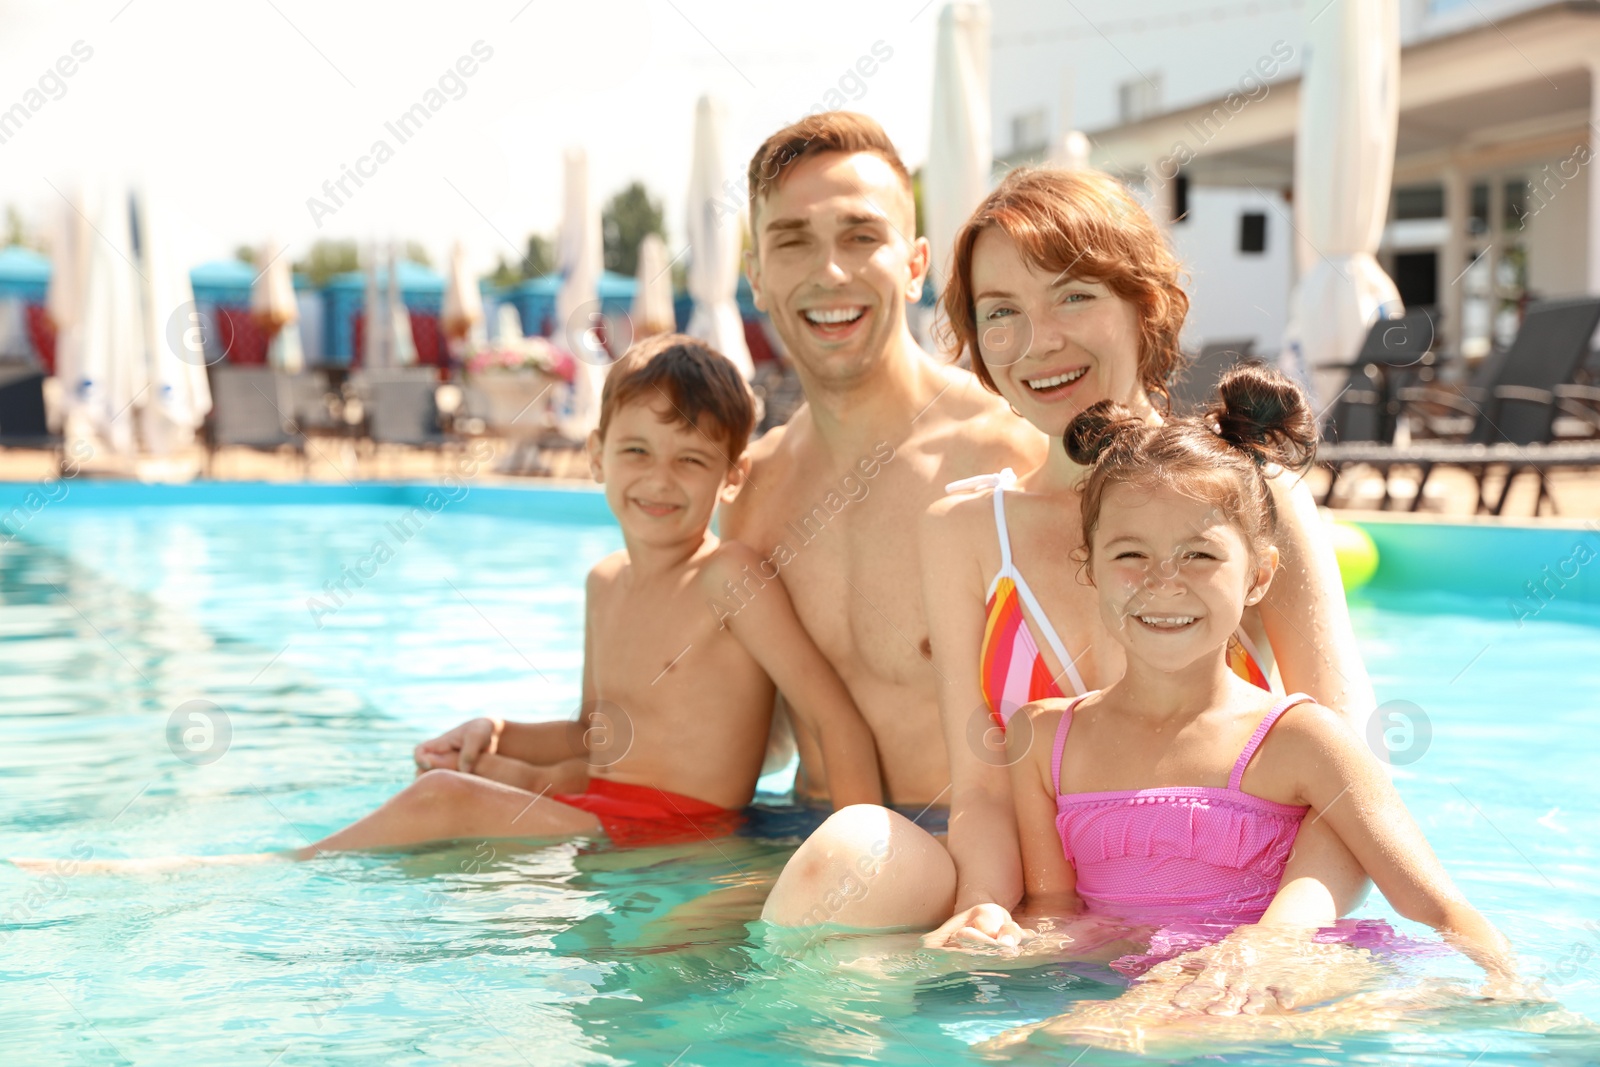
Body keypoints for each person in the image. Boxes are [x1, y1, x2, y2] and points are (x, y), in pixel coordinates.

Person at [761, 167, 1376, 1010]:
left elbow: (1353, 783)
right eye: (1001, 311)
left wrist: (1274, 937)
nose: (1037, 341)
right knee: (854, 848)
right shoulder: (967, 529)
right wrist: (983, 903)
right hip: (1049, 922)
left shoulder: (1253, 497)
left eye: (1073, 295)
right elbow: (980, 789)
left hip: (1232, 920)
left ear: (1144, 305)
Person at [26, 336, 882, 872]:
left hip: (680, 830)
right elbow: (596, 733)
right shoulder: (606, 582)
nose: (659, 480)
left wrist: (858, 861)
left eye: (692, 461)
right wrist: (499, 732)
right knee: (459, 773)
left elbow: (833, 718)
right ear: (596, 457)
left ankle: (264, 867)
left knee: (443, 803)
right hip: (610, 811)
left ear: (731, 476)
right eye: (636, 450)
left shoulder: (728, 576)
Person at [981, 369, 1514, 1045]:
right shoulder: (1046, 739)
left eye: (1199, 553)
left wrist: (1512, 986)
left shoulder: (1298, 739)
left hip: (1285, 981)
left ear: (1259, 574)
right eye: (1130, 553)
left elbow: (1433, 901)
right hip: (1146, 994)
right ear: (1088, 564)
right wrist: (993, 945)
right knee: (1024, 1043)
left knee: (1059, 1048)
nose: (1162, 581)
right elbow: (1057, 913)